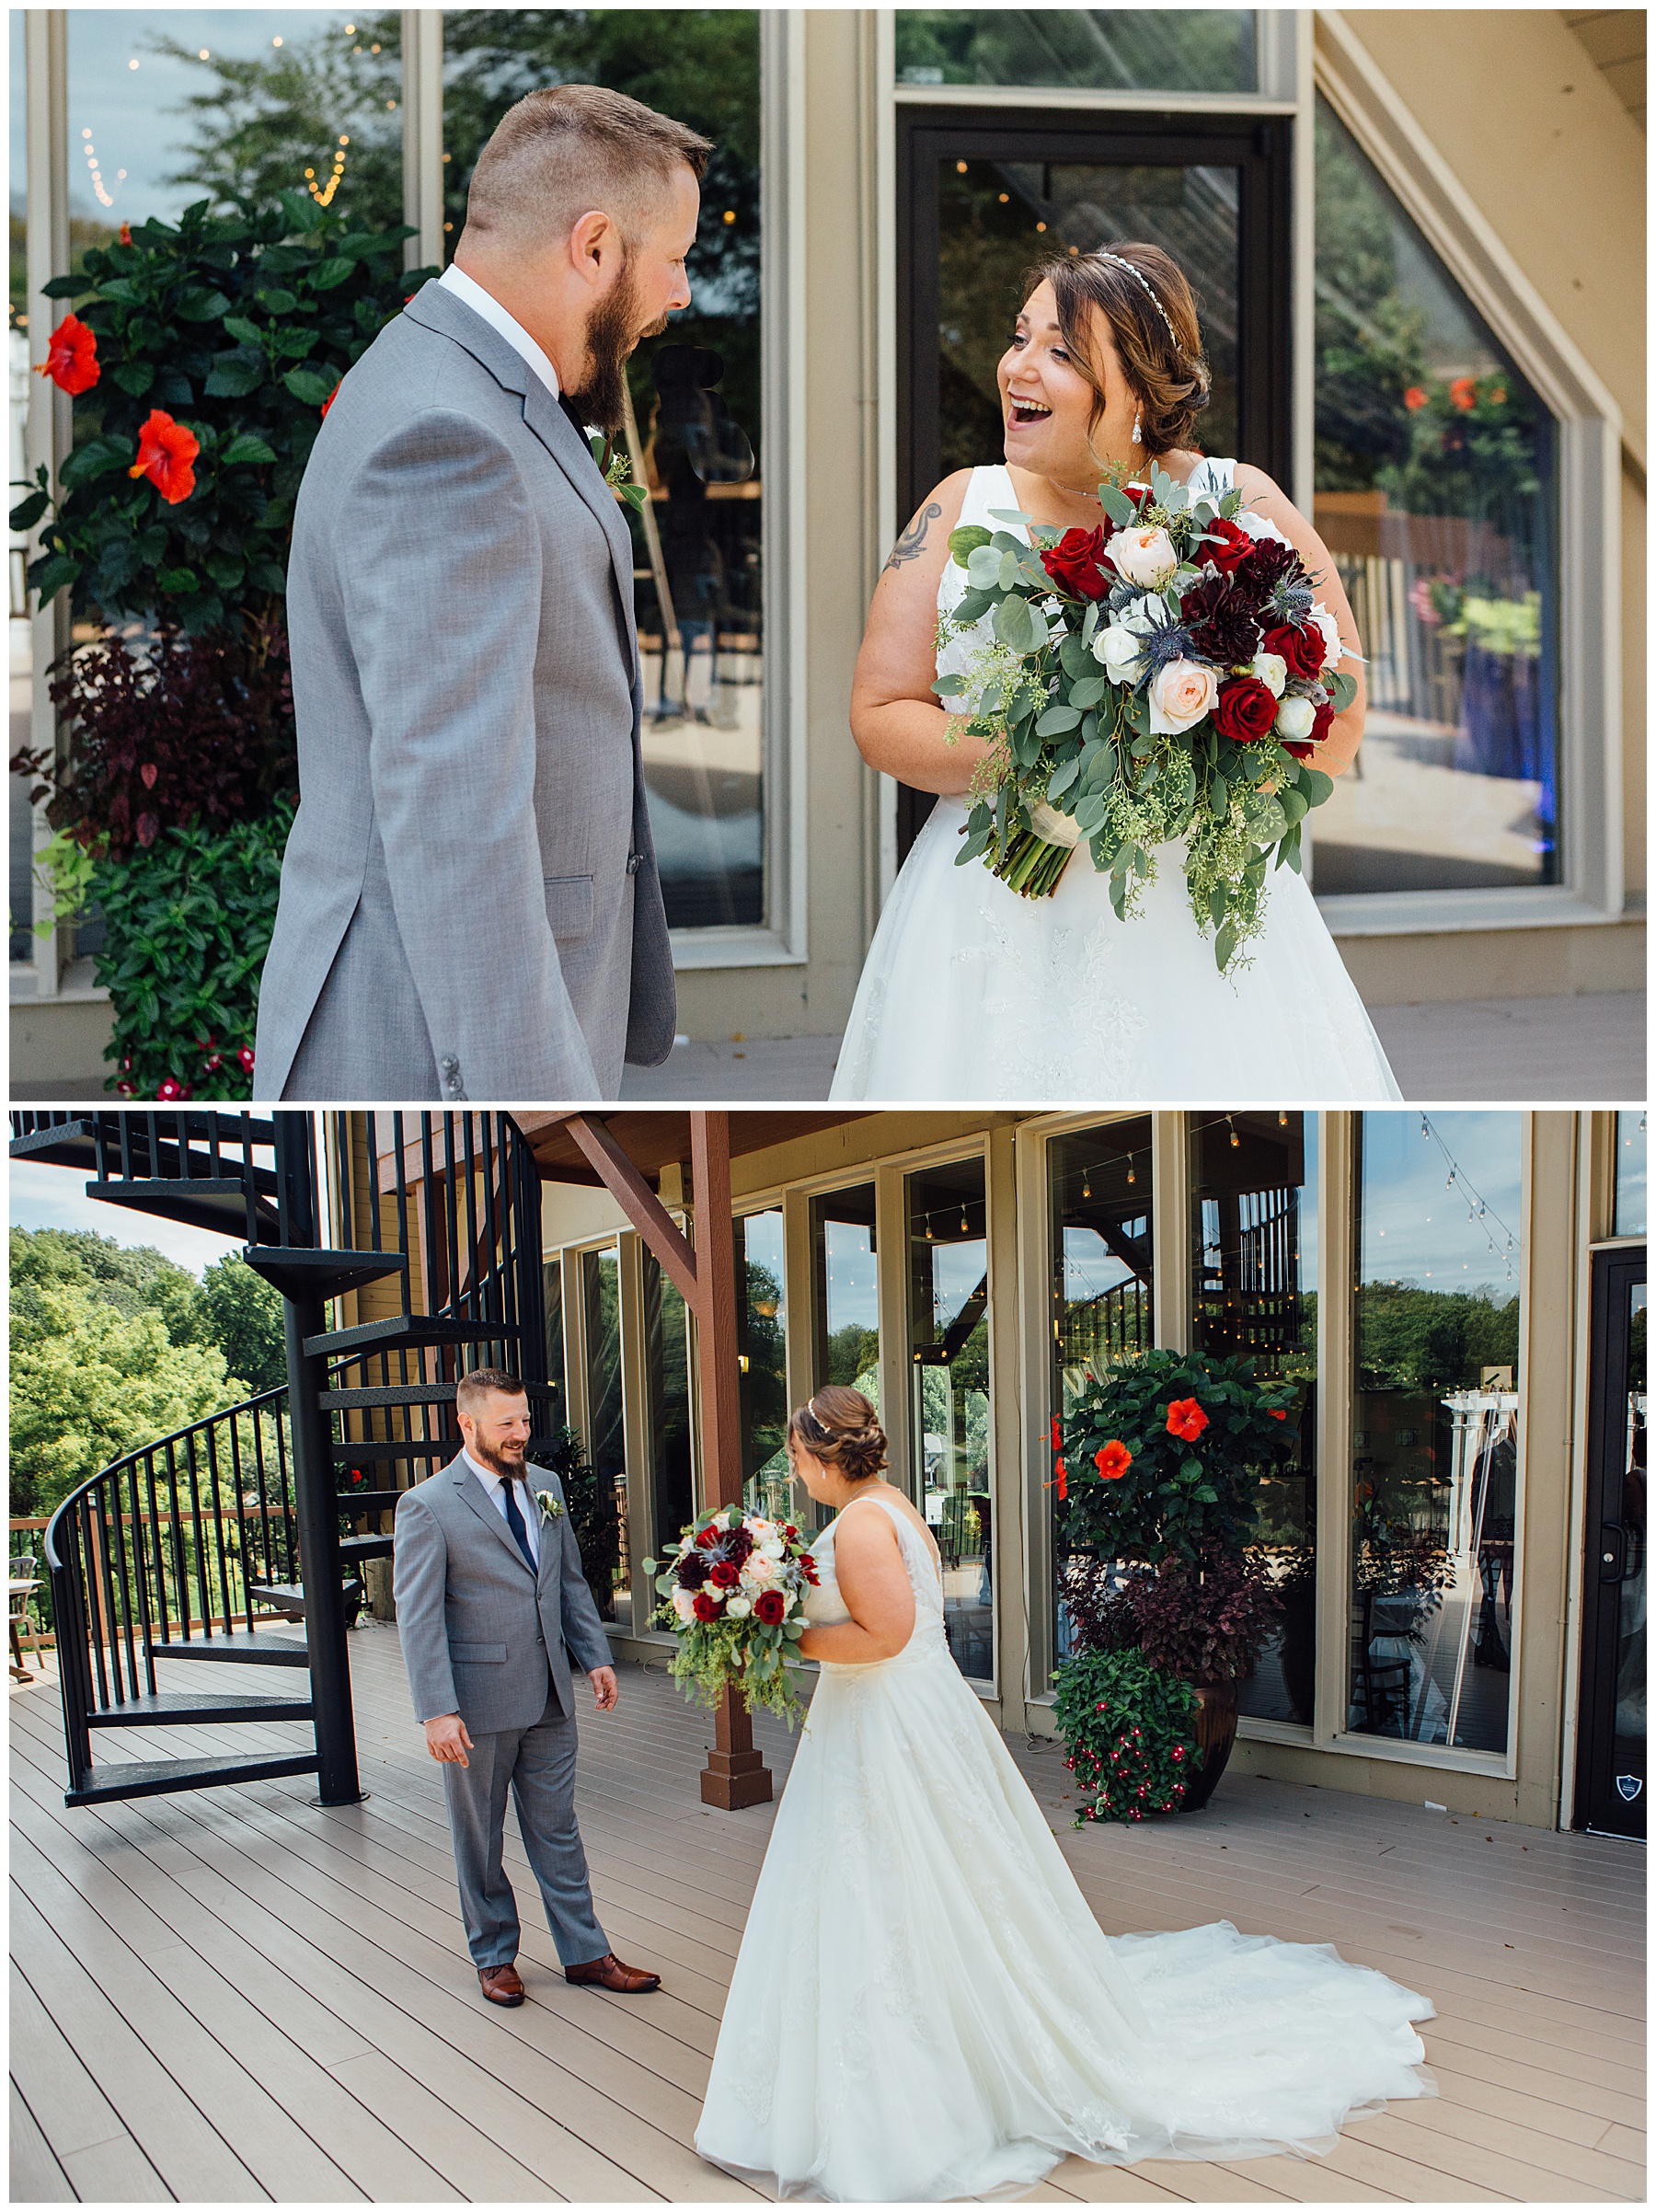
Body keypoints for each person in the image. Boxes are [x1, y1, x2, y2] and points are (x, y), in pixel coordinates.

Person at [695, 1386, 1433, 2202]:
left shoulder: (866, 1523)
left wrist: (778, 1629)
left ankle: (936, 2070)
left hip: (888, 1724)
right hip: (900, 1717)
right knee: (912, 1883)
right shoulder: (888, 1502)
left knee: (897, 1876)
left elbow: (886, 1636)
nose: (795, 1473)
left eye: (796, 1458)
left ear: (823, 1453)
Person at [831, 244, 1403, 1102]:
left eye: (1060, 352)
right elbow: (879, 713)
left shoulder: (1238, 502)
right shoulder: (958, 507)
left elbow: (1342, 715)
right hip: (994, 915)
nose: (1019, 367)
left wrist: (1189, 766)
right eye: (1020, 338)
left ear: (1138, 390)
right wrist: (1050, 757)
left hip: (1195, 910)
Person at [254, 86, 708, 1103]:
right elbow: (454, 813)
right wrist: (536, 1109)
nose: (679, 294)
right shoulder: (447, 434)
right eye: (673, 258)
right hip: (436, 1047)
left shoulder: (455, 379)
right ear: (594, 247)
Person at [393, 1367, 661, 2005]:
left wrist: (594, 1654)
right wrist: (437, 1711)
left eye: (525, 1421)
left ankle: (586, 1952)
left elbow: (565, 1579)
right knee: (479, 1836)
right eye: (507, 1422)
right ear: (467, 1424)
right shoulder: (426, 1505)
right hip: (475, 1706)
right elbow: (420, 1616)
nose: (521, 1433)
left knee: (558, 1829)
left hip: (549, 1696)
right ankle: (494, 1955)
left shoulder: (545, 1486)